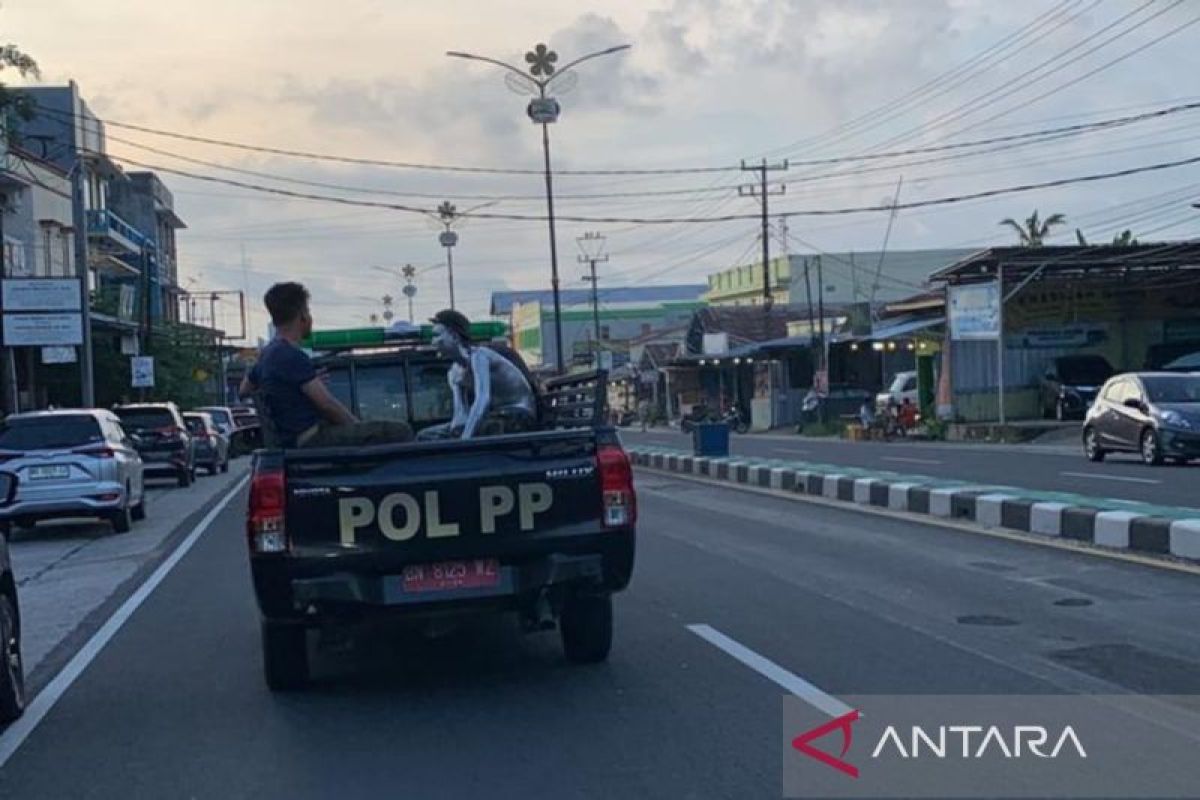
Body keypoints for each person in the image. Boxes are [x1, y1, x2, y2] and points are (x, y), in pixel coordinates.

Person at [239, 282, 412, 448]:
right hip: (311, 437)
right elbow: (327, 405)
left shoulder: (267, 355)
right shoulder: (291, 356)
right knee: (398, 431)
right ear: (303, 316)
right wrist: (356, 427)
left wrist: (294, 391)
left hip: (293, 439)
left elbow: (244, 390)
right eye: (308, 310)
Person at [417, 309, 538, 440]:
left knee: (489, 427)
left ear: (454, 336)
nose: (433, 342)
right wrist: (453, 433)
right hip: (494, 415)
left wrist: (464, 441)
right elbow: (460, 416)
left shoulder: (479, 357)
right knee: (425, 435)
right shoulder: (453, 373)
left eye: (437, 335)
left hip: (519, 413)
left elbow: (482, 400)